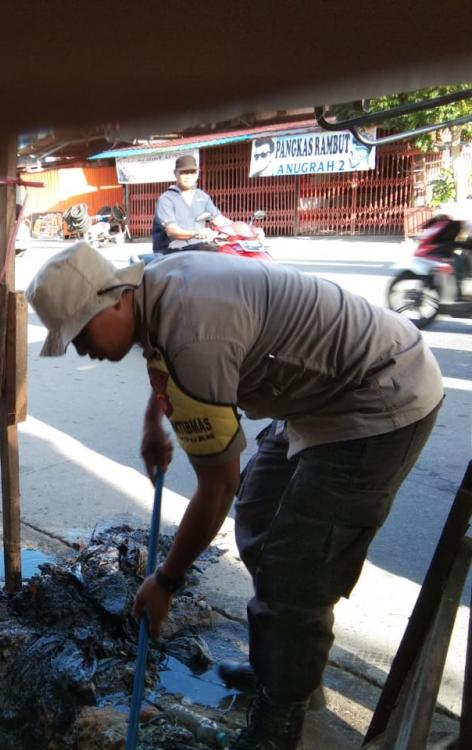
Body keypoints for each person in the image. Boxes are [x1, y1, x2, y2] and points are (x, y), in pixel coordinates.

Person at [25, 242, 442, 750]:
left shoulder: (194, 328)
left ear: (115, 299)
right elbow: (165, 362)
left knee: (297, 568)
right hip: (317, 397)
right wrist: (154, 421)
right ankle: (285, 665)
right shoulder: (154, 289)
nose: (78, 349)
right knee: (260, 520)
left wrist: (166, 580)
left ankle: (279, 723)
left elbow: (217, 486)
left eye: (79, 332)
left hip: (379, 394)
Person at [151, 154, 230, 254]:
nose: (188, 176)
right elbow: (172, 231)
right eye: (184, 172)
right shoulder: (166, 199)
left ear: (197, 174)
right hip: (171, 252)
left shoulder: (202, 196)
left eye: (192, 172)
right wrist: (197, 233)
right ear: (176, 174)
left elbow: (220, 220)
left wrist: (247, 230)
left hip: (197, 247)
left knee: (228, 252)